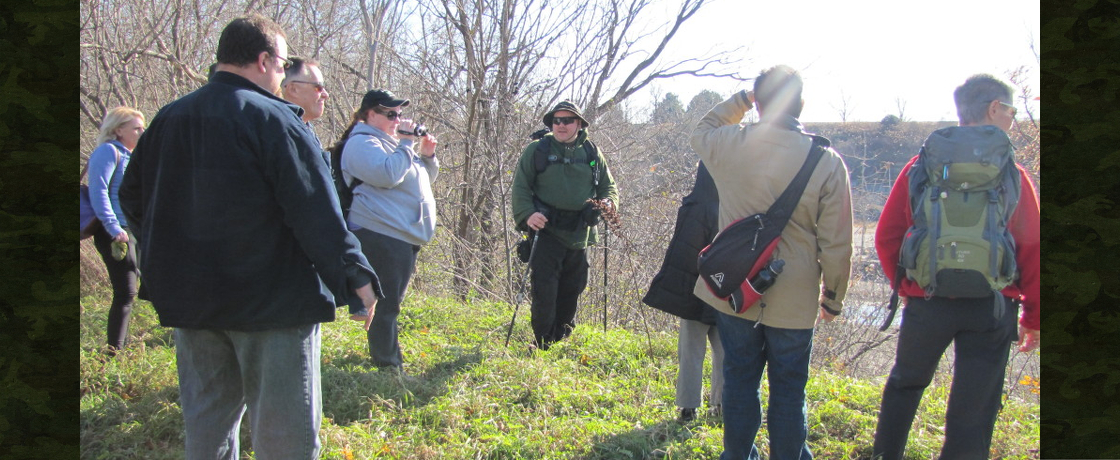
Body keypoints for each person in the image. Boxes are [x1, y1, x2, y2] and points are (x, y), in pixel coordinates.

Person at [119, 14, 380, 459]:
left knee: (208, 436)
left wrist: (173, 259)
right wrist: (356, 278)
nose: (281, 77)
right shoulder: (275, 119)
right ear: (263, 60)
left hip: (194, 304)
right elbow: (315, 211)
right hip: (272, 307)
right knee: (286, 443)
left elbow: (133, 199)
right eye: (282, 67)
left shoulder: (168, 118)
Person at [871, 74, 1041, 460]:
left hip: (927, 299)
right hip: (991, 305)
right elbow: (1032, 247)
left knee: (905, 386)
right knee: (973, 411)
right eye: (1011, 110)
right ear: (994, 109)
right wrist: (1034, 312)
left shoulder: (922, 165)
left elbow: (888, 235)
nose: (1013, 119)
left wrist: (908, 286)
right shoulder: (1013, 175)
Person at [689, 65, 853, 460]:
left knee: (740, 381)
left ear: (758, 103)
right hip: (794, 298)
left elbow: (702, 128)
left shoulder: (728, 142)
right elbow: (838, 245)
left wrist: (742, 101)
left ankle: (737, 456)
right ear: (801, 103)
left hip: (738, 290)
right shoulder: (827, 161)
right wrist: (833, 297)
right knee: (789, 389)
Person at [333, 89, 439, 373]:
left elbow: (418, 181)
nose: (397, 119)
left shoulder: (390, 144)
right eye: (390, 114)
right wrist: (406, 143)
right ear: (368, 115)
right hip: (380, 232)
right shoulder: (361, 143)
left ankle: (385, 356)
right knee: (387, 303)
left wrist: (426, 158)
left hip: (400, 235)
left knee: (391, 301)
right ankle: (388, 366)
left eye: (399, 114)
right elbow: (387, 175)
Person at [511, 100, 619, 351]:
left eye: (567, 120)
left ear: (579, 124)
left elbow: (608, 186)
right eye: (556, 121)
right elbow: (520, 187)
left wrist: (608, 203)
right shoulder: (537, 150)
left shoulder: (591, 152)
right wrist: (528, 214)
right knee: (544, 290)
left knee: (574, 287)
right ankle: (542, 343)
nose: (561, 125)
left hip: (580, 232)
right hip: (546, 231)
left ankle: (562, 338)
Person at [642, 161, 724, 422]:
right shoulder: (739, 207)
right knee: (724, 350)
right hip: (726, 288)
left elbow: (681, 254)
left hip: (693, 290)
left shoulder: (694, 206)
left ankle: (688, 408)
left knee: (691, 349)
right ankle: (720, 406)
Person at [86, 106, 145, 353]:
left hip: (134, 229)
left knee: (137, 287)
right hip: (115, 232)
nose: (142, 132)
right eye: (136, 128)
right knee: (126, 291)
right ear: (118, 129)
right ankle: (114, 352)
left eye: (143, 127)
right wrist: (112, 227)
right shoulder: (108, 152)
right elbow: (98, 191)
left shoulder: (133, 155)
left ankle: (124, 345)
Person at [281, 57, 331, 166]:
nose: (325, 95)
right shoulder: (280, 134)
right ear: (293, 89)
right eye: (318, 87)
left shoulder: (306, 129)